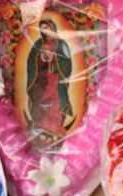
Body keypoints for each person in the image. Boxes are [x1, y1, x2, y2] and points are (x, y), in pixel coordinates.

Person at [25, 18, 76, 146]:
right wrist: (41, 58)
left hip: (56, 80)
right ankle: (41, 128)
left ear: (52, 28)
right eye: (42, 28)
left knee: (55, 104)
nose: (44, 31)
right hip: (41, 80)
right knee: (41, 102)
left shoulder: (61, 44)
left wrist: (54, 57)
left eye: (46, 28)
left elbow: (67, 63)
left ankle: (54, 129)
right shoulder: (38, 44)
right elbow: (31, 62)